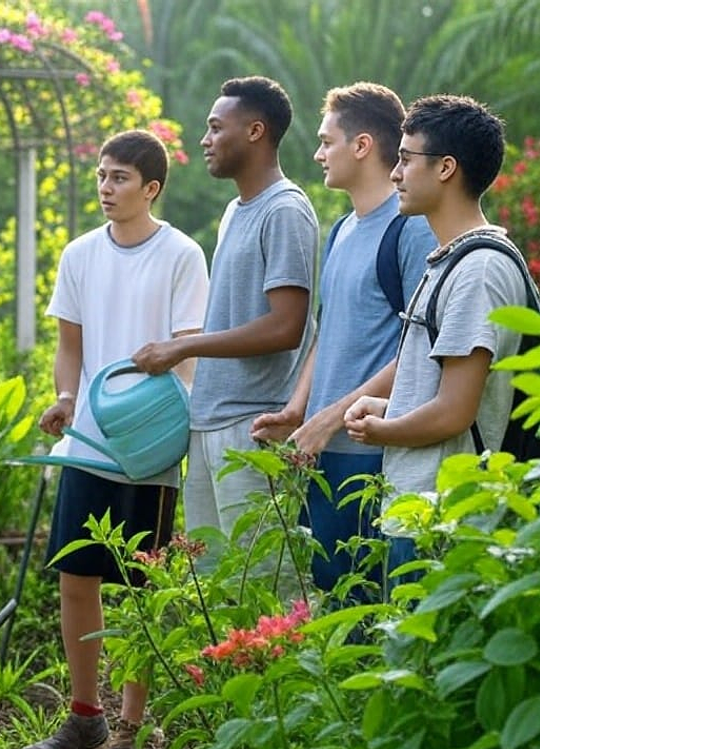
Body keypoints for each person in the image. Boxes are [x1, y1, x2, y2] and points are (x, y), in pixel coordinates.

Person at [20, 130, 209, 749]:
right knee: (77, 580)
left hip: (149, 448)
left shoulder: (182, 254)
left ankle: (128, 729)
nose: (106, 187)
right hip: (87, 446)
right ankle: (84, 716)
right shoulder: (79, 254)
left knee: (139, 591)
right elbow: (69, 346)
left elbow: (187, 350)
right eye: (102, 175)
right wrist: (66, 398)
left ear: (151, 187)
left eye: (120, 177)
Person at [250, 82, 437, 602]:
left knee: (369, 602)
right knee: (332, 594)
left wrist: (333, 417)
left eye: (327, 140)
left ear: (362, 146)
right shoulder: (340, 231)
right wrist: (297, 411)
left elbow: (419, 349)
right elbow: (327, 333)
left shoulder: (409, 229)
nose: (317, 153)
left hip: (367, 449)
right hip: (322, 449)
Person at [132, 76, 317, 587]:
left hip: (253, 427)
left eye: (216, 128)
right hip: (210, 421)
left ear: (255, 131)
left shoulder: (285, 210)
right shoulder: (236, 211)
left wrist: (183, 346)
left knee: (265, 589)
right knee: (218, 587)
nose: (204, 139)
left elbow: (287, 326)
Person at [342, 95, 532, 498]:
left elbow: (453, 412)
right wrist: (386, 409)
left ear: (446, 167)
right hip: (419, 506)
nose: (394, 174)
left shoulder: (479, 269)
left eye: (406, 159)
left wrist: (383, 430)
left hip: (446, 514)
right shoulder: (448, 261)